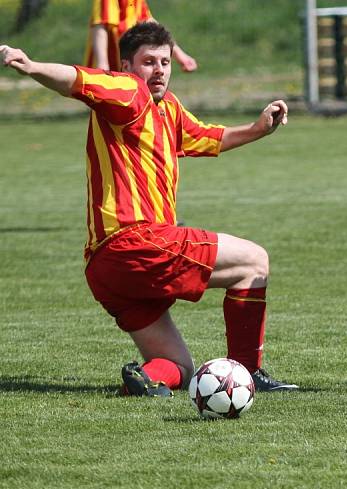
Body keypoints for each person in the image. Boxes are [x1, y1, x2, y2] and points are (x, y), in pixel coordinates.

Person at [1, 22, 296, 396]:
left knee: (179, 367)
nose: (159, 70)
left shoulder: (168, 109)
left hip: (105, 268)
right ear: (128, 67)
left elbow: (207, 137)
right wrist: (31, 66)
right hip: (135, 241)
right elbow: (78, 80)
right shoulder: (129, 92)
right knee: (254, 262)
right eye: (148, 62)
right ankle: (249, 373)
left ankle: (144, 379)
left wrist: (257, 129)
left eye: (165, 61)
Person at [84, 0, 196, 73]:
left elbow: (149, 22)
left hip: (131, 57)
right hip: (113, 59)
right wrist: (102, 64)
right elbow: (100, 25)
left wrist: (180, 54)